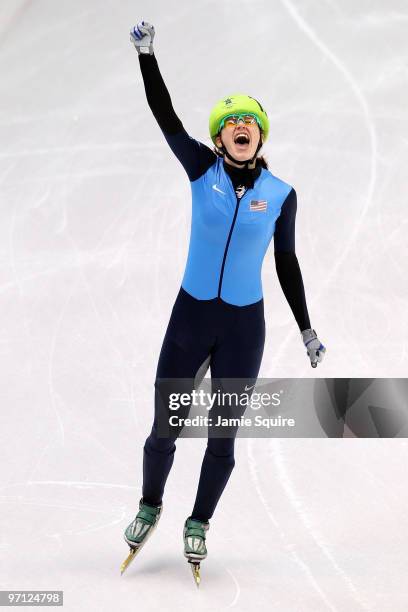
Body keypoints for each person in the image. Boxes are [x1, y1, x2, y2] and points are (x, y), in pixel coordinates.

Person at [122, 20, 326, 575]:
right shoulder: (200, 169)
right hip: (189, 318)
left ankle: (198, 521)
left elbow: (286, 262)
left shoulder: (281, 195)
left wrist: (306, 327)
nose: (241, 128)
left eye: (250, 123)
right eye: (231, 123)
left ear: (261, 137)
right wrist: (147, 56)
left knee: (223, 437)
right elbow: (166, 118)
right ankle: (150, 504)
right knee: (165, 425)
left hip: (242, 329)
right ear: (218, 140)